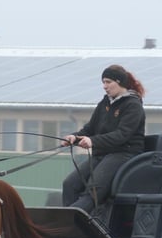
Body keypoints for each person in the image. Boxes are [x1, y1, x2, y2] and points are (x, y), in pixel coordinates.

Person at [61, 64, 146, 213]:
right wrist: (74, 137)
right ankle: (67, 220)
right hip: (102, 153)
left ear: (119, 82)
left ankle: (72, 221)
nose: (104, 86)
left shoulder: (133, 105)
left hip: (124, 153)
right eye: (103, 82)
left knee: (94, 190)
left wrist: (93, 141)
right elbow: (90, 128)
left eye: (108, 82)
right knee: (69, 184)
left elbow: (122, 135)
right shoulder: (105, 103)